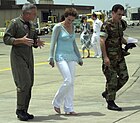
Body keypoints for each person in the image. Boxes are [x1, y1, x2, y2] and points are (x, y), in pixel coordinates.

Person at [3, 3, 44, 121]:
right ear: (26, 13)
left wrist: (36, 42)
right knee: (23, 83)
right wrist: (19, 40)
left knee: (30, 83)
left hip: (29, 57)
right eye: (34, 13)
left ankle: (25, 110)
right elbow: (6, 38)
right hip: (18, 57)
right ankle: (19, 109)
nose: (35, 15)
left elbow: (33, 38)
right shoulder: (15, 23)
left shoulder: (31, 25)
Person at [49, 8, 83, 115]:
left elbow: (74, 44)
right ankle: (56, 102)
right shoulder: (58, 27)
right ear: (65, 17)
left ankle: (69, 108)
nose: (70, 22)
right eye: (69, 20)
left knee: (71, 83)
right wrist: (50, 57)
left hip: (71, 57)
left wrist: (79, 57)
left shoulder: (72, 27)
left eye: (72, 20)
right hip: (60, 56)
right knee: (67, 80)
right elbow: (53, 43)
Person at [100, 4, 129, 111]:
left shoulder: (121, 24)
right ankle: (110, 102)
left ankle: (108, 93)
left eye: (122, 14)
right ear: (113, 13)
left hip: (120, 56)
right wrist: (105, 57)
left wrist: (128, 43)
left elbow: (119, 37)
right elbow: (102, 41)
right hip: (110, 58)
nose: (120, 17)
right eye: (118, 14)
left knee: (124, 77)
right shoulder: (106, 25)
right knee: (111, 80)